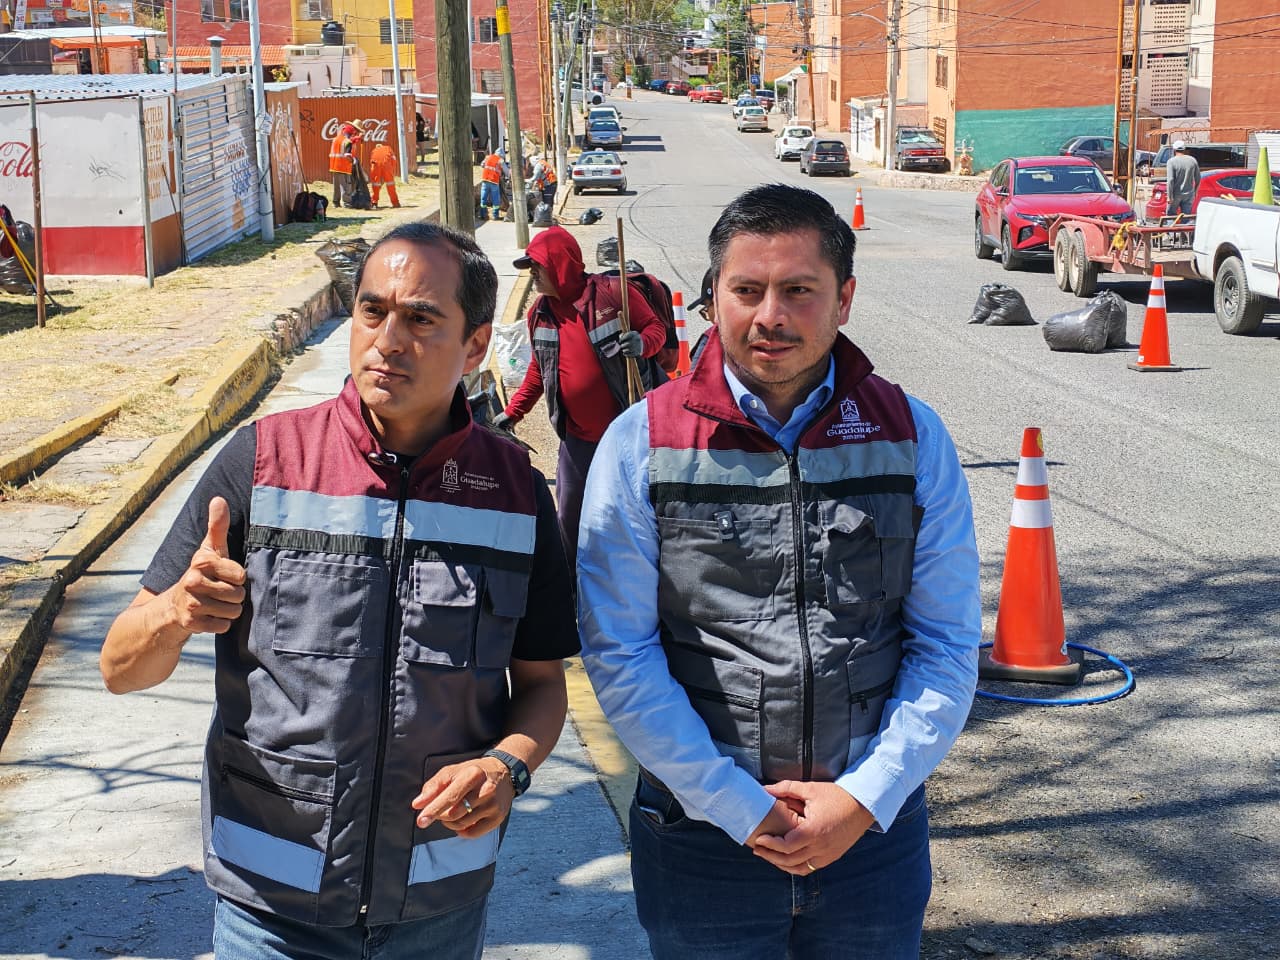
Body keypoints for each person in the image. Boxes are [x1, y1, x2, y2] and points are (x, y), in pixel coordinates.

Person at [100, 221, 579, 959]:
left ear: (476, 346)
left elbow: (542, 685)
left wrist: (507, 767)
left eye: (422, 319)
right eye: (372, 311)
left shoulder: (515, 493)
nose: (388, 340)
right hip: (269, 908)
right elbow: (120, 668)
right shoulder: (262, 462)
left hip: (439, 905)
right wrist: (173, 613)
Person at [576, 183, 981, 960]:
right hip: (700, 841)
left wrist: (863, 798)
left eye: (799, 290)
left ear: (844, 300)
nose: (770, 316)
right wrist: (738, 806)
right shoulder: (641, 443)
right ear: (712, 298)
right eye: (747, 290)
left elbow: (947, 643)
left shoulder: (912, 435)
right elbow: (619, 652)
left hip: (873, 843)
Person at [494, 224, 666, 570]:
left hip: (626, 435)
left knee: (631, 514)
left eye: (538, 266)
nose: (533, 274)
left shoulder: (613, 294)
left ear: (559, 264)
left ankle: (636, 579)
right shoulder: (539, 314)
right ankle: (571, 587)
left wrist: (642, 343)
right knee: (569, 519)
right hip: (576, 442)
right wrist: (513, 413)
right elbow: (539, 371)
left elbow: (656, 329)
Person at [1166, 139, 1201, 219]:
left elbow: (1170, 180)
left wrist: (1169, 196)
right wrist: (1195, 191)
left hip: (1175, 194)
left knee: (1170, 217)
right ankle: (1184, 227)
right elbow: (1198, 178)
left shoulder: (1171, 161)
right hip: (1189, 194)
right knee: (1186, 217)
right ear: (1184, 149)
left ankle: (1171, 228)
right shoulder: (1192, 160)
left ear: (1174, 150)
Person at [328, 120, 358, 208]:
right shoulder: (347, 141)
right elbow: (347, 155)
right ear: (350, 133)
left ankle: (336, 203)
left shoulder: (335, 140)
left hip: (334, 166)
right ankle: (346, 203)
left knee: (336, 186)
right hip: (343, 167)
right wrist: (353, 161)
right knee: (346, 186)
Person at [368, 140, 401, 209]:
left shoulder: (374, 151)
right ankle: (395, 203)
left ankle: (374, 203)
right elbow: (394, 159)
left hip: (376, 166)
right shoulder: (388, 148)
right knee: (390, 184)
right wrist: (391, 169)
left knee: (375, 185)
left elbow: (371, 162)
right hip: (387, 166)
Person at [479, 148, 506, 221]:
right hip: (494, 181)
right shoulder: (500, 160)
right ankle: (495, 216)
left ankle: (483, 215)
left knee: (483, 198)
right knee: (495, 199)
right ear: (501, 155)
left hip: (485, 180)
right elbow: (506, 171)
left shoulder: (488, 157)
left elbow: (482, 165)